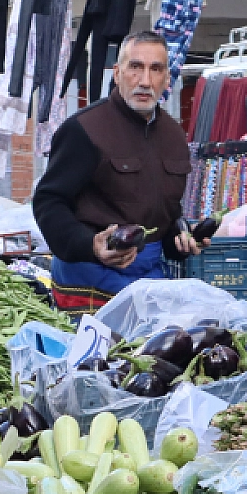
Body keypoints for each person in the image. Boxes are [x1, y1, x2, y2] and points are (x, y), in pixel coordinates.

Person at [33, 30, 209, 311]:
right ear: (117, 73)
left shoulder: (174, 136)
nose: (145, 81)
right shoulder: (84, 130)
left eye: (156, 70)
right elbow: (48, 202)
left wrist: (182, 240)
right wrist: (91, 245)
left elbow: (167, 215)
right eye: (135, 67)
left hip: (148, 279)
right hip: (88, 281)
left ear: (167, 79)